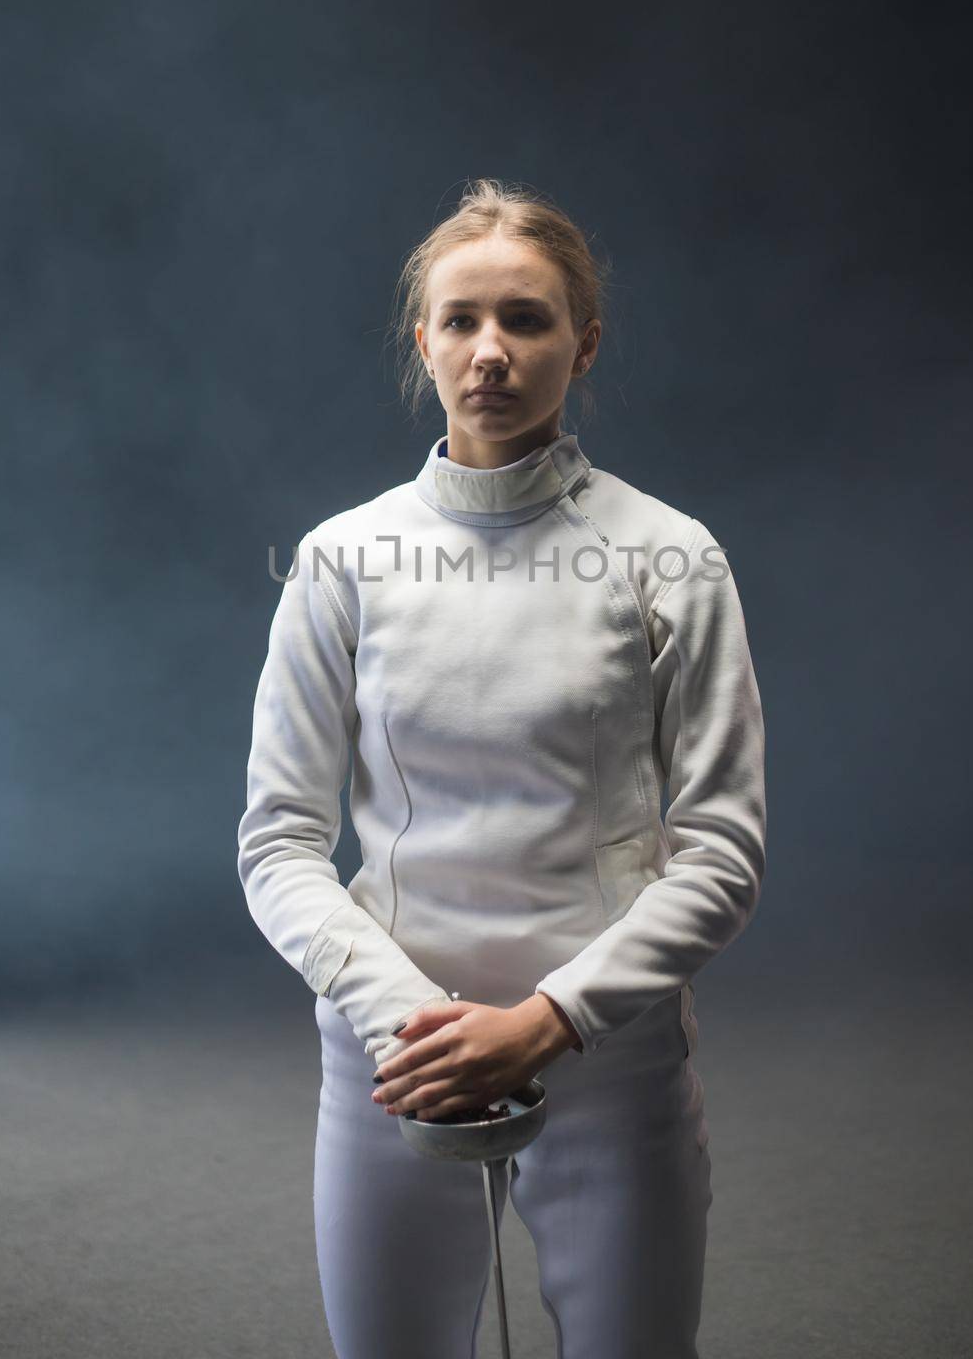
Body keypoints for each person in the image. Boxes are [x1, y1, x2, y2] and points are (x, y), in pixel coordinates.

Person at [236, 177, 767, 1359]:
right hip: (396, 1066)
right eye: (462, 319)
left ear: (583, 342)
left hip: (609, 1063)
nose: (491, 351)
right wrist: (406, 1022)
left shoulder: (669, 557)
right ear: (420, 339)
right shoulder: (341, 559)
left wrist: (547, 1019)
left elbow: (723, 851)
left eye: (525, 319)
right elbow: (276, 841)